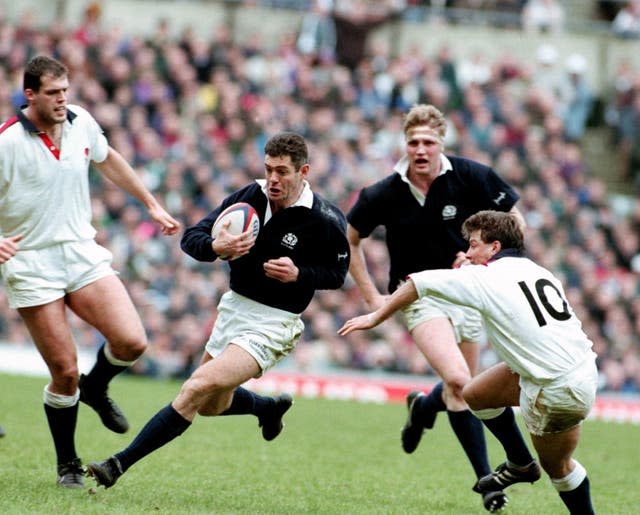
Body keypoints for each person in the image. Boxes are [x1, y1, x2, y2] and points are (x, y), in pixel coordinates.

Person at [85, 131, 350, 488]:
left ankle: (118, 464)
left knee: (196, 387)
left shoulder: (325, 218)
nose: (273, 178)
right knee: (211, 404)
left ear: (304, 171)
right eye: (269, 168)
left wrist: (300, 274)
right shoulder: (249, 196)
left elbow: (337, 274)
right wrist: (216, 244)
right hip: (233, 309)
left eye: (283, 172)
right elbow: (191, 237)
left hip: (275, 323)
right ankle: (266, 408)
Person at [339, 210, 597, 514]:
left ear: (495, 247)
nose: (468, 252)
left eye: (474, 245)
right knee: (475, 393)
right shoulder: (539, 271)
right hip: (581, 372)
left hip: (554, 390)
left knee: (559, 469)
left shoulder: (484, 275)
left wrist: (374, 317)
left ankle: (530, 470)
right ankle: (519, 462)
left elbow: (418, 284)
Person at [0, 55, 181, 488]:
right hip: (31, 262)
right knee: (63, 372)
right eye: (53, 93)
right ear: (30, 95)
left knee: (132, 340)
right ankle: (67, 465)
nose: (63, 99)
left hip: (81, 251)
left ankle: (97, 386)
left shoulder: (81, 122)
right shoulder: (7, 142)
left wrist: (150, 203)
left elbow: (110, 159)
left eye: (66, 90)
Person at [345, 103, 524, 512]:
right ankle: (487, 481)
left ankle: (424, 406)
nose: (421, 149)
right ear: (404, 145)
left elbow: (514, 222)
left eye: (428, 142)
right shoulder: (382, 192)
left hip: (469, 293)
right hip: (418, 296)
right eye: (413, 142)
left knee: (463, 388)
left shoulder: (471, 175)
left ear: (442, 144)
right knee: (463, 381)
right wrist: (373, 297)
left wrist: (492, 264)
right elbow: (350, 237)